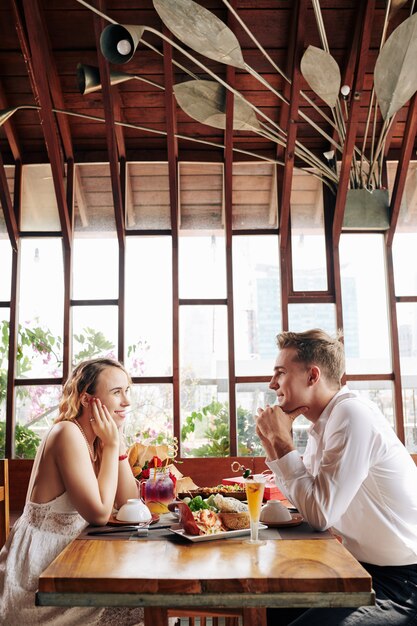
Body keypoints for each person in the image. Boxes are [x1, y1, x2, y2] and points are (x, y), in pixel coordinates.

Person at [255, 329, 417, 626]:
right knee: (273, 606)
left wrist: (282, 444)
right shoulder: (324, 424)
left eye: (280, 372)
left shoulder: (351, 415)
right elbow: (308, 502)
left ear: (313, 376)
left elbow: (320, 514)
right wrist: (273, 444)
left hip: (404, 583)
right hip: (360, 569)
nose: (271, 384)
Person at [0, 357, 145, 625]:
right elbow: (99, 515)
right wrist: (112, 446)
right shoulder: (67, 433)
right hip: (39, 574)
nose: (126, 401)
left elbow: (129, 503)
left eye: (127, 391)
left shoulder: (97, 439)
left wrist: (117, 443)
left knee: (146, 603)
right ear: (86, 399)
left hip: (74, 562)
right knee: (145, 607)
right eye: (116, 392)